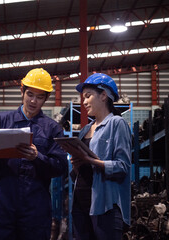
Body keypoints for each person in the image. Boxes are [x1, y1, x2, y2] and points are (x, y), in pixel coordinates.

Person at [0, 68, 68, 240]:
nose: (33, 101)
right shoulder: (1, 121)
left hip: (35, 206)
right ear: (22, 91)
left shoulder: (52, 129)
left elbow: (60, 166)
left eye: (40, 97)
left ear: (46, 99)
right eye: (30, 94)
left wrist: (37, 158)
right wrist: (2, 148)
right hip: (2, 203)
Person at [65, 73, 132, 240]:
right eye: (83, 98)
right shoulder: (85, 130)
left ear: (103, 95)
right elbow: (78, 175)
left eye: (88, 96)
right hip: (80, 205)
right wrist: (76, 166)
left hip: (105, 207)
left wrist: (91, 161)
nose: (84, 102)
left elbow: (123, 167)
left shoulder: (117, 123)